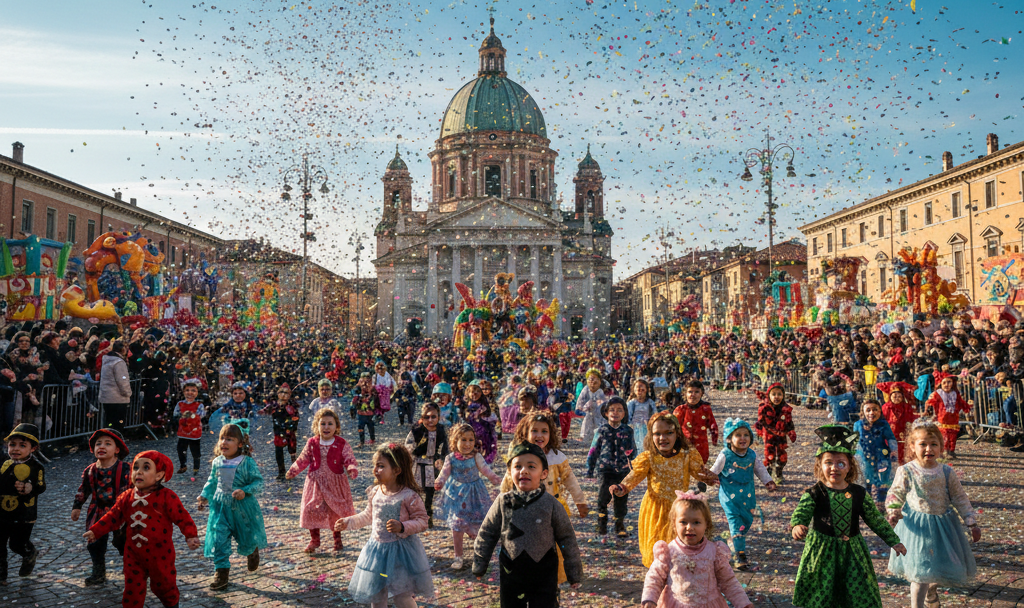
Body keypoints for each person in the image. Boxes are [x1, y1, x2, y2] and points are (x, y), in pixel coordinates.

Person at [789, 425, 906, 608]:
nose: (834, 468)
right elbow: (801, 513)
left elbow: (875, 519)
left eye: (840, 463)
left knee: (854, 592)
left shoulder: (858, 493)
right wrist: (797, 525)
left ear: (849, 466)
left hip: (852, 551)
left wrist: (893, 540)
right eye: (828, 462)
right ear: (820, 465)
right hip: (822, 552)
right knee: (823, 592)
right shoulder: (815, 493)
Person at [473, 442, 584, 608]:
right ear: (510, 472)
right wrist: (480, 564)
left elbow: (567, 538)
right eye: (517, 466)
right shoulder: (503, 502)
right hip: (511, 569)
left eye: (531, 466)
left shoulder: (551, 504)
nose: (523, 471)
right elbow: (487, 532)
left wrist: (574, 573)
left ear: (544, 473)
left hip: (544, 570)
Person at [84, 450, 201, 608]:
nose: (138, 472)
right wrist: (96, 531)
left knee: (164, 586)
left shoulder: (167, 497)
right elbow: (113, 517)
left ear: (159, 475)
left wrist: (191, 535)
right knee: (132, 589)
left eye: (146, 468)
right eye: (136, 468)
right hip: (133, 554)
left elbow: (182, 517)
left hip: (160, 555)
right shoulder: (127, 496)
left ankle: (172, 604)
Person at [886, 420, 980, 608]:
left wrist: (971, 522)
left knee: (943, 567)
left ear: (940, 447)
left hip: (943, 527)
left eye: (933, 444)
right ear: (912, 446)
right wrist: (894, 511)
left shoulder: (946, 472)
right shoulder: (907, 470)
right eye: (923, 444)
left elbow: (959, 497)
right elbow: (895, 492)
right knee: (920, 573)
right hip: (916, 529)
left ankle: (931, 589)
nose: (928, 449)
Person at [610, 412, 718, 567]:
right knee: (658, 545)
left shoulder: (686, 456)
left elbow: (698, 472)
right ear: (651, 436)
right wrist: (622, 486)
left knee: (679, 546)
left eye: (669, 433)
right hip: (655, 509)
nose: (663, 438)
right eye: (657, 434)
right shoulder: (649, 457)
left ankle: (679, 576)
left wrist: (708, 477)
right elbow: (635, 475)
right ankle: (658, 576)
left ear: (677, 434)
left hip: (680, 509)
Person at [336, 443, 434, 608]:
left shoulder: (409, 496)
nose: (375, 470)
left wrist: (403, 526)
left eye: (381, 466)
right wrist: (348, 522)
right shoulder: (375, 492)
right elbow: (368, 516)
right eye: (375, 465)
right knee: (377, 594)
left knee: (402, 596)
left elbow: (422, 520)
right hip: (377, 554)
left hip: (400, 555)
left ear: (397, 470)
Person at [501, 411, 588, 583]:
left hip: (553, 510)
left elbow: (570, 480)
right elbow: (508, 479)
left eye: (544, 431)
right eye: (535, 431)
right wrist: (502, 503)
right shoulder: (520, 457)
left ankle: (552, 576)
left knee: (553, 545)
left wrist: (580, 501)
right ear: (525, 432)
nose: (539, 435)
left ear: (551, 433)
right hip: (525, 509)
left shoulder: (557, 457)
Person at [640, 491, 752, 608]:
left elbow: (728, 581)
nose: (689, 527)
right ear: (674, 524)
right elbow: (654, 577)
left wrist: (743, 603)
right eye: (683, 522)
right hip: (676, 604)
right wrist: (649, 599)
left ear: (706, 525)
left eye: (696, 522)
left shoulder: (714, 551)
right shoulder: (668, 552)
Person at [197, 419, 267, 590]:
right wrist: (204, 496)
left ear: (240, 443)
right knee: (219, 539)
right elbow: (212, 482)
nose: (224, 442)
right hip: (220, 508)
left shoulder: (247, 462)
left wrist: (245, 491)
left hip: (242, 508)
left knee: (246, 537)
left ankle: (251, 550)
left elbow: (259, 482)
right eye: (222, 438)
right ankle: (221, 573)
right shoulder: (217, 462)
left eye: (229, 439)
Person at [708, 418, 776, 571]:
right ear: (729, 439)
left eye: (746, 435)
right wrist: (706, 479)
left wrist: (768, 481)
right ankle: (740, 555)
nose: (743, 438)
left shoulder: (751, 455)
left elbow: (760, 469)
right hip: (729, 497)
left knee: (747, 519)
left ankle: (736, 539)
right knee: (735, 522)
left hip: (747, 496)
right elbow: (714, 470)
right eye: (738, 435)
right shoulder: (725, 455)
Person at [287, 408, 358, 553]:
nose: (326, 427)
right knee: (311, 509)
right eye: (323, 424)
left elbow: (349, 457)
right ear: (317, 426)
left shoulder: (341, 443)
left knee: (334, 511)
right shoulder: (312, 442)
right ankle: (314, 539)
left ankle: (337, 539)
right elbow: (303, 459)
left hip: (335, 484)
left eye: (330, 424)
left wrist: (351, 468)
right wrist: (293, 470)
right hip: (315, 483)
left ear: (336, 426)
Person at [433, 423, 502, 570]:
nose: (467, 444)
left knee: (477, 526)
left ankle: (480, 555)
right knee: (456, 526)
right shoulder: (451, 458)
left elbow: (485, 469)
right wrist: (440, 481)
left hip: (474, 495)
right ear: (455, 440)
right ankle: (458, 557)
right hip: (456, 496)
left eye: (471, 440)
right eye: (463, 440)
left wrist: (494, 478)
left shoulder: (476, 456)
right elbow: (444, 472)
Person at [72, 428, 131, 586]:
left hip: (120, 511)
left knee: (125, 541)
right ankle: (98, 572)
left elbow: (134, 489)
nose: (101, 447)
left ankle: (133, 568)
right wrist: (77, 506)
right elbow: (83, 489)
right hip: (97, 510)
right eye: (98, 444)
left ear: (117, 449)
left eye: (107, 443)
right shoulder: (90, 470)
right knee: (94, 543)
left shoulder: (126, 469)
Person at [586, 396, 636, 543]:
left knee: (621, 499)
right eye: (612, 410)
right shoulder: (602, 430)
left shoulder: (628, 430)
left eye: (619, 410)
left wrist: (636, 467)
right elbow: (593, 449)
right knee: (603, 499)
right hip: (605, 469)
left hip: (623, 470)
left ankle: (619, 525)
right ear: (606, 412)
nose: (615, 413)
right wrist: (590, 467)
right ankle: (601, 526)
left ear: (624, 413)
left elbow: (633, 450)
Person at [1, 423, 45, 584]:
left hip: (24, 514)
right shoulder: (4, 463)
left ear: (33, 448)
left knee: (16, 544)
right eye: (12, 445)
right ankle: (1, 576)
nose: (15, 449)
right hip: (2, 512)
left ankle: (28, 553)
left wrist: (29, 487)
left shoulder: (36, 466)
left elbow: (41, 486)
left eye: (22, 445)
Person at [405, 402, 449, 529]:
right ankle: (415, 516)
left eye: (433, 417)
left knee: (430, 492)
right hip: (418, 465)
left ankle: (428, 517)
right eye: (426, 417)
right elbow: (409, 445)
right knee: (416, 491)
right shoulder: (417, 430)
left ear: (438, 417)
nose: (430, 420)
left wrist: (441, 459)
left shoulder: (440, 431)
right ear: (422, 418)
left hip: (433, 465)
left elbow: (444, 447)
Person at [854, 399, 898, 507]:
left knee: (882, 478)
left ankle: (881, 503)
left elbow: (891, 438)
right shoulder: (858, 424)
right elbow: (854, 440)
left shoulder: (883, 424)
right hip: (864, 457)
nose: (871, 413)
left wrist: (893, 451)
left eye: (875, 410)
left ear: (880, 411)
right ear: (863, 412)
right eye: (868, 410)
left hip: (881, 456)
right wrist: (852, 454)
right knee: (866, 478)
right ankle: (866, 504)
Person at [754, 383, 796, 484]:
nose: (776, 397)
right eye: (774, 394)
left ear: (783, 396)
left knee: (782, 456)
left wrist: (791, 431)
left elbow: (789, 422)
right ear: (769, 396)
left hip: (781, 436)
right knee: (769, 455)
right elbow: (760, 422)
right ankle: (767, 475)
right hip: (769, 436)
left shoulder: (786, 409)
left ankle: (779, 472)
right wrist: (758, 430)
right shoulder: (765, 408)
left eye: (779, 394)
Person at [924, 372, 970, 459]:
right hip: (942, 419)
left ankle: (951, 451)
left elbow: (961, 402)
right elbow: (930, 402)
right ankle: (943, 451)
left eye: (949, 382)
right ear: (940, 384)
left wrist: (967, 407)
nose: (946, 385)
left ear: (952, 383)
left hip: (953, 419)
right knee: (944, 436)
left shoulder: (955, 393)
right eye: (944, 383)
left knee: (952, 437)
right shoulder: (938, 393)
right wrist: (929, 409)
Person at [672, 379, 719, 464]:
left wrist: (714, 439)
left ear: (701, 394)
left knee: (700, 468)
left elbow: (712, 424)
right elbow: (673, 428)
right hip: (685, 445)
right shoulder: (681, 410)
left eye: (696, 392)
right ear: (685, 393)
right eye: (690, 392)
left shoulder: (705, 409)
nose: (693, 395)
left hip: (701, 446)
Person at [261, 383, 301, 479]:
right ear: (278, 393)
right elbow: (266, 410)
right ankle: (281, 471)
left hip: (289, 431)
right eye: (281, 392)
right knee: (279, 451)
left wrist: (293, 427)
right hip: (278, 431)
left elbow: (296, 418)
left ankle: (293, 470)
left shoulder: (291, 406)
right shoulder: (274, 405)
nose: (283, 395)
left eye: (286, 393)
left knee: (292, 450)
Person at [877, 381, 917, 462]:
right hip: (888, 435)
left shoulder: (906, 407)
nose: (896, 398)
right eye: (894, 396)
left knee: (902, 455)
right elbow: (881, 421)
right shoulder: (886, 407)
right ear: (890, 396)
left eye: (899, 396)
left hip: (902, 435)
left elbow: (910, 419)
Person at [174, 378, 206, 475]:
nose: (190, 393)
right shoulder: (180, 404)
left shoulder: (199, 404)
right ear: (183, 392)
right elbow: (175, 414)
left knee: (195, 449)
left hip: (194, 431)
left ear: (197, 392)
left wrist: (192, 415)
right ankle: (183, 465)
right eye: (187, 390)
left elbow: (202, 415)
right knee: (181, 449)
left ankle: (196, 466)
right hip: (183, 431)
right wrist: (181, 416)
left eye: (193, 390)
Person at [98, 340, 132, 432]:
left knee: (109, 422)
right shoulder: (119, 362)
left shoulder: (106, 360)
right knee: (118, 423)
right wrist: (128, 393)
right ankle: (117, 441)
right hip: (118, 398)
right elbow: (122, 380)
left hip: (106, 396)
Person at [464, 380, 497, 464]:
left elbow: (489, 416)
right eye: (472, 392)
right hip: (469, 428)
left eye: (478, 391)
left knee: (483, 444)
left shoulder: (483, 404)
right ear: (468, 392)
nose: (475, 394)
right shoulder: (464, 404)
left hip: (482, 429)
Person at [351, 373, 384, 446]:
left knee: (371, 427)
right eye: (363, 382)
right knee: (360, 428)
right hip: (361, 413)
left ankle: (372, 439)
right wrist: (353, 409)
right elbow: (354, 400)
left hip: (370, 413)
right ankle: (362, 441)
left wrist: (379, 412)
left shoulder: (373, 391)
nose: (365, 384)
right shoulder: (358, 391)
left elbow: (378, 402)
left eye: (367, 381)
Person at [577, 368, 608, 446]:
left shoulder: (600, 391)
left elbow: (603, 401)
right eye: (590, 380)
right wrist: (579, 407)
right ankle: (584, 436)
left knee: (599, 424)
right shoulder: (586, 389)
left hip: (598, 411)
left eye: (595, 381)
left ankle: (600, 437)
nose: (592, 383)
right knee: (587, 423)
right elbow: (581, 398)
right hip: (589, 410)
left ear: (599, 382)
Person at [627, 378, 656, 450]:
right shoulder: (631, 403)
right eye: (638, 389)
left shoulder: (650, 403)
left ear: (646, 390)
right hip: (634, 430)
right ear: (634, 390)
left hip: (647, 430)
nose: (640, 391)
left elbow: (655, 415)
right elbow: (627, 417)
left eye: (642, 390)